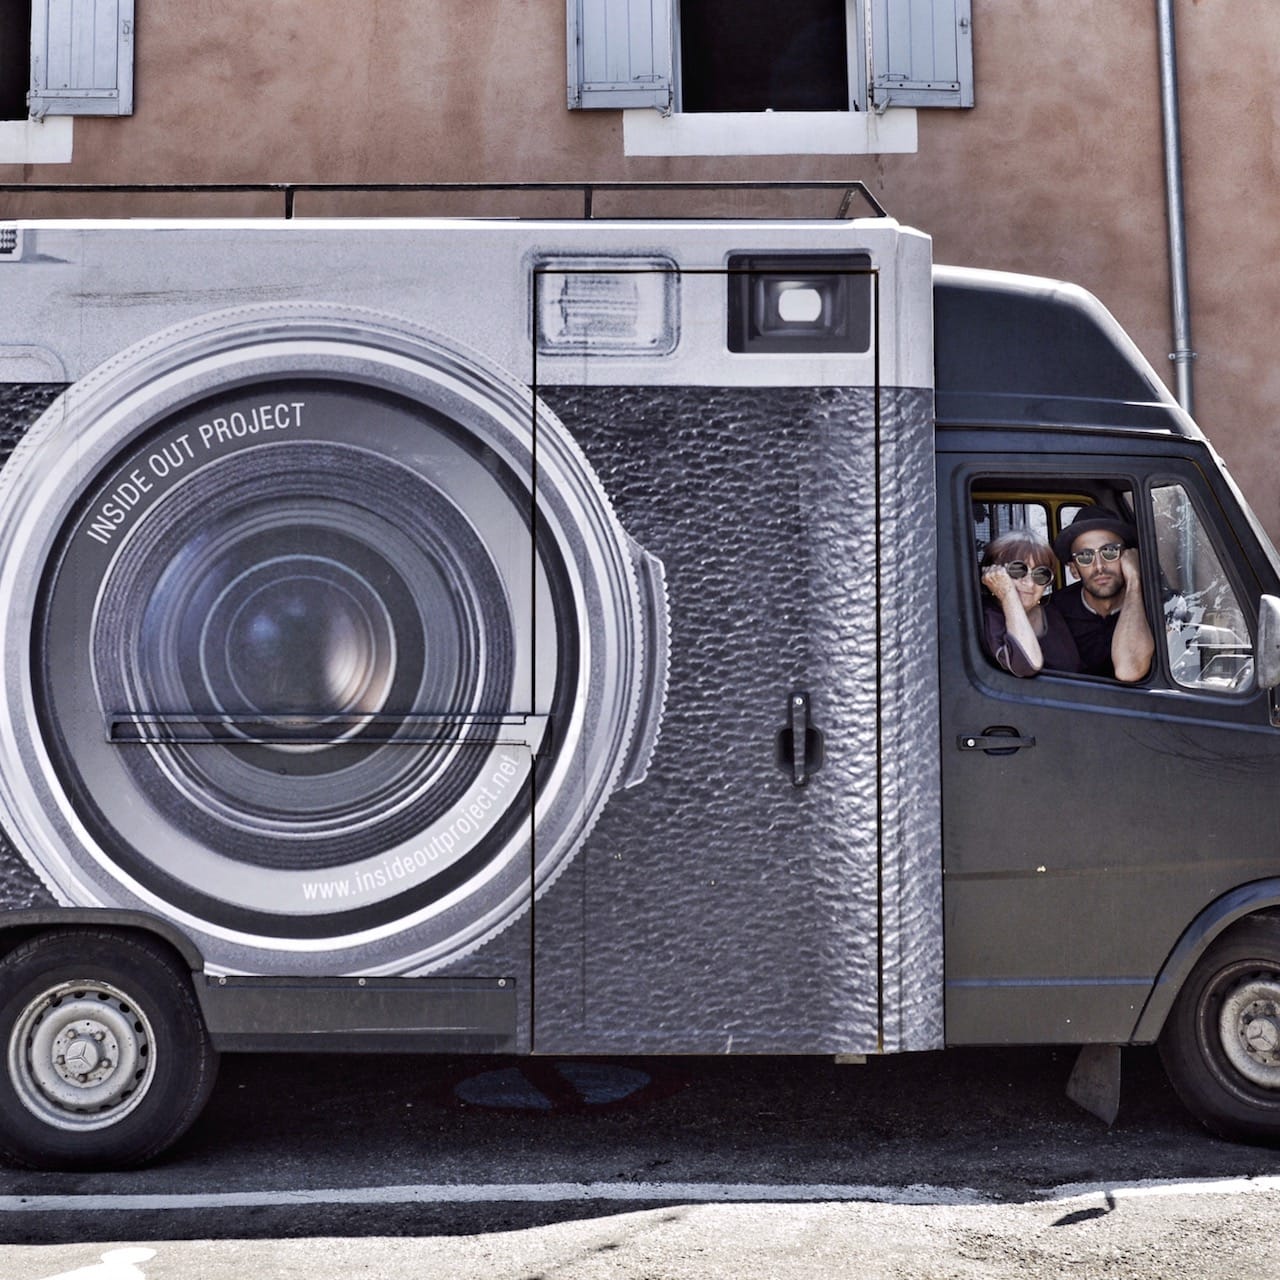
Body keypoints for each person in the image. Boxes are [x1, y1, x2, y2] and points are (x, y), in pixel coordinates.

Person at [1048, 505, 1155, 682]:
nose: (1099, 566)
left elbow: (1129, 670)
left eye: (1110, 551)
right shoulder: (1055, 611)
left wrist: (1134, 581)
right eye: (1085, 556)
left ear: (1128, 557)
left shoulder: (1160, 606)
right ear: (1074, 570)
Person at [979, 531, 1081, 676]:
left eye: (1040, 574)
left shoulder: (1052, 612)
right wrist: (1008, 594)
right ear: (995, 574)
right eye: (1017, 570)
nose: (1029, 583)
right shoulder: (987, 616)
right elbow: (1027, 664)